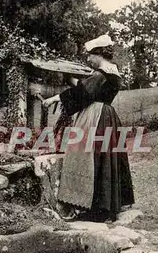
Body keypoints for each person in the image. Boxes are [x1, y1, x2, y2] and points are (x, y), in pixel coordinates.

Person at [42, 34, 135, 222]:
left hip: (96, 117)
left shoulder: (100, 74)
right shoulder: (112, 72)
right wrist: (71, 80)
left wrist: (53, 98)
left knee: (86, 156)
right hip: (108, 115)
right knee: (105, 158)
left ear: (99, 54)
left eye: (90, 56)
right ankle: (105, 206)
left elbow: (82, 92)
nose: (88, 59)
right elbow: (89, 88)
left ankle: (94, 208)